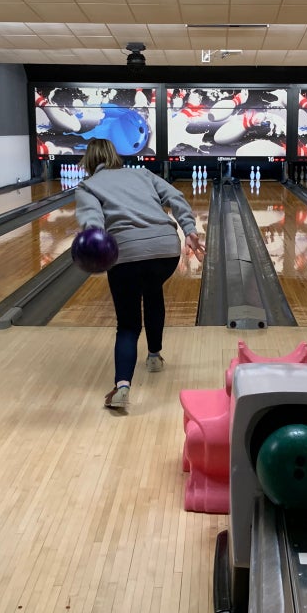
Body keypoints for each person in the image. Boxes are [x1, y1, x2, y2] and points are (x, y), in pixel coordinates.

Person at [75, 138, 205, 410]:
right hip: (166, 250)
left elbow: (93, 223)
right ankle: (154, 357)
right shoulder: (143, 174)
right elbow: (175, 197)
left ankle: (122, 387)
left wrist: (93, 247)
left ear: (88, 161)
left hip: (126, 254)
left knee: (128, 324)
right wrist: (189, 229)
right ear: (115, 155)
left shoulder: (88, 186)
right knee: (153, 290)